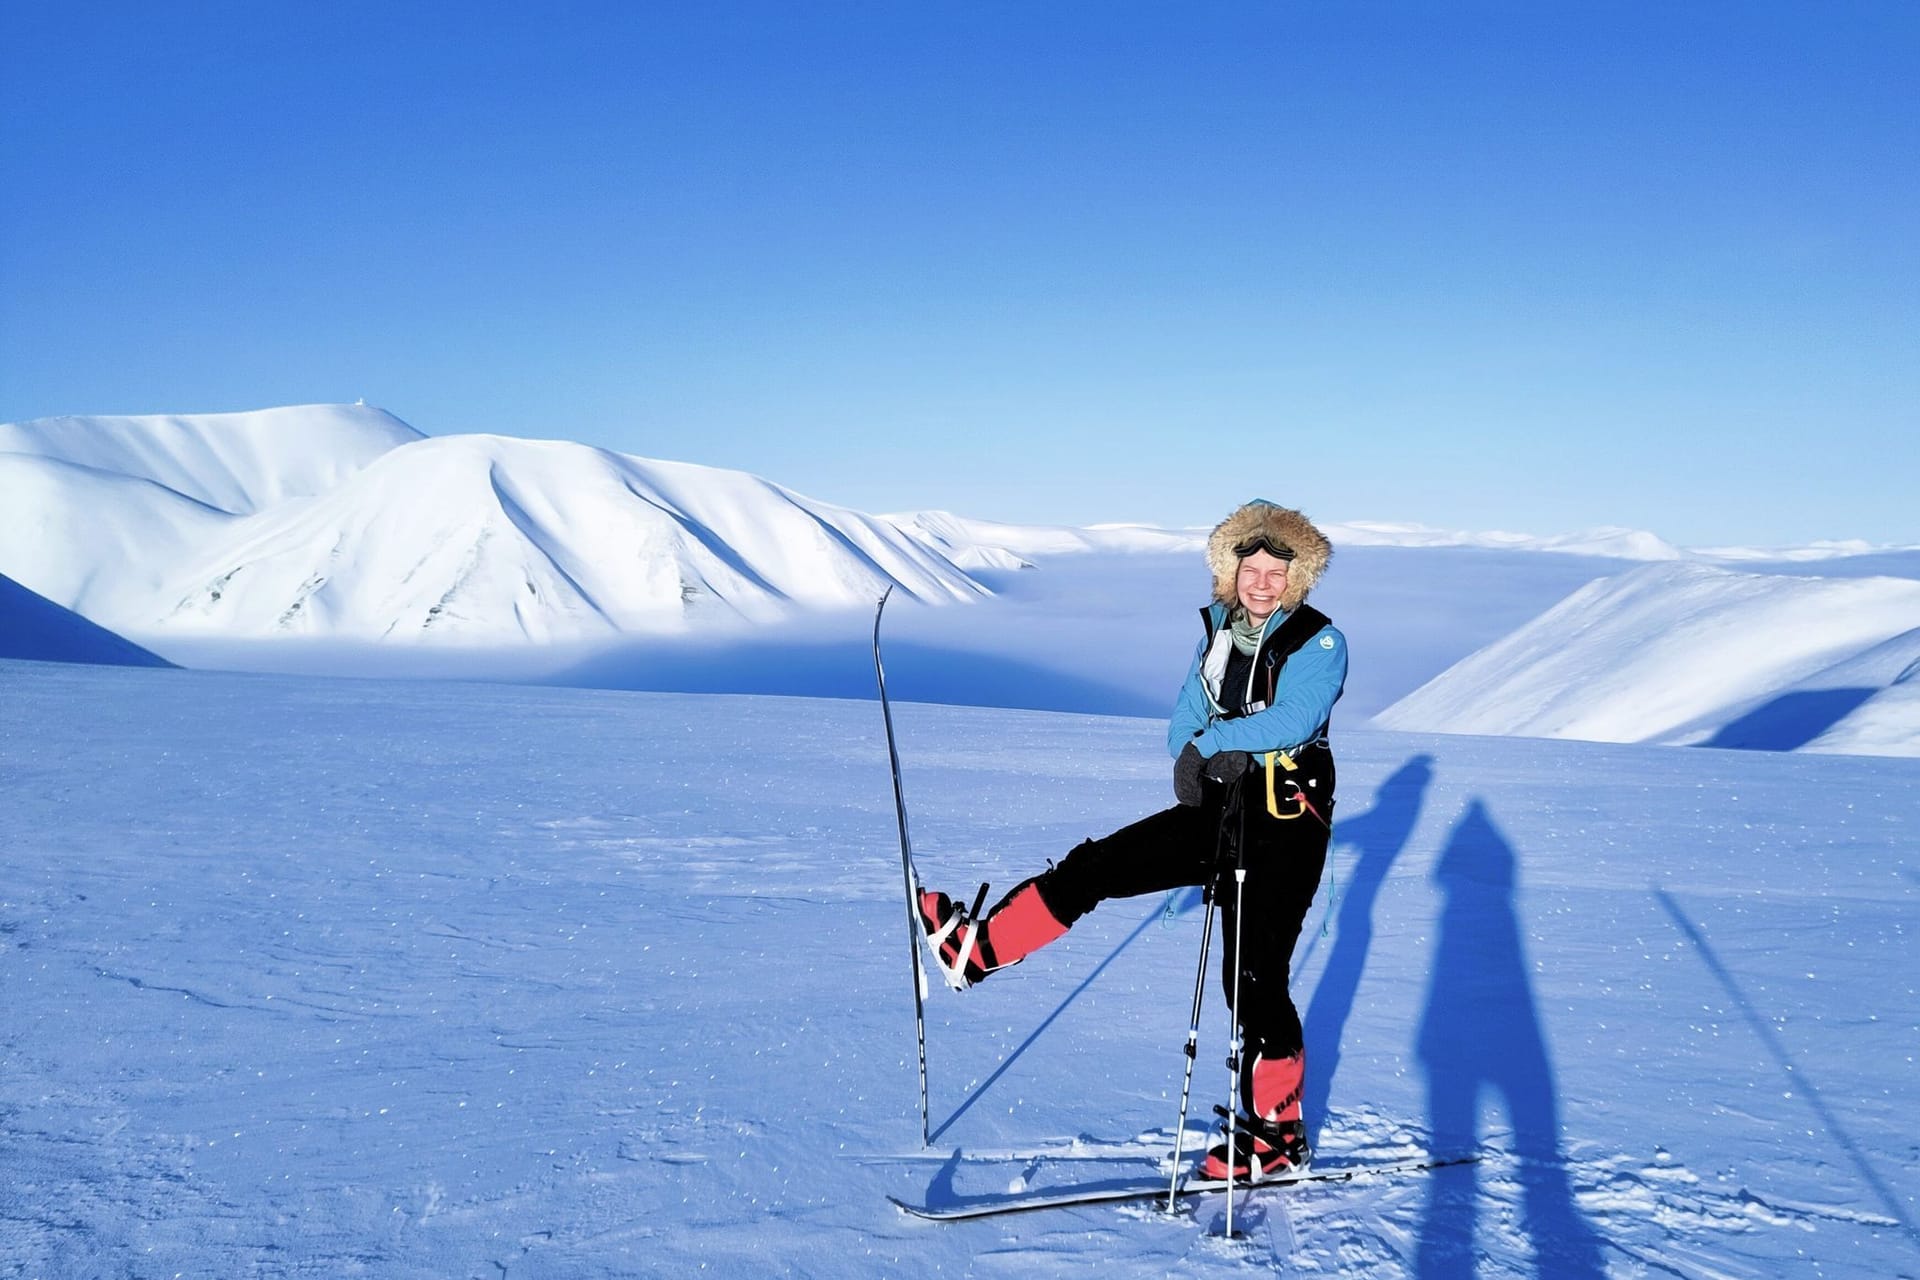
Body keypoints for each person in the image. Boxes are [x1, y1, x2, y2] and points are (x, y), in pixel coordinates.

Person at [919, 498, 1347, 1181]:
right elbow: (1186, 715)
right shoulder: (1218, 635)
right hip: (1223, 806)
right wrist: (1195, 758)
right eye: (1251, 568)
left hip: (1286, 826)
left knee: (1255, 983)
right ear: (1229, 572)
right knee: (1098, 866)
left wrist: (1215, 744)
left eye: (1276, 572)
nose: (1262, 582)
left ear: (1297, 579)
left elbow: (1296, 718)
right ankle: (980, 949)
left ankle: (1277, 1136)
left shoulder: (1319, 641)